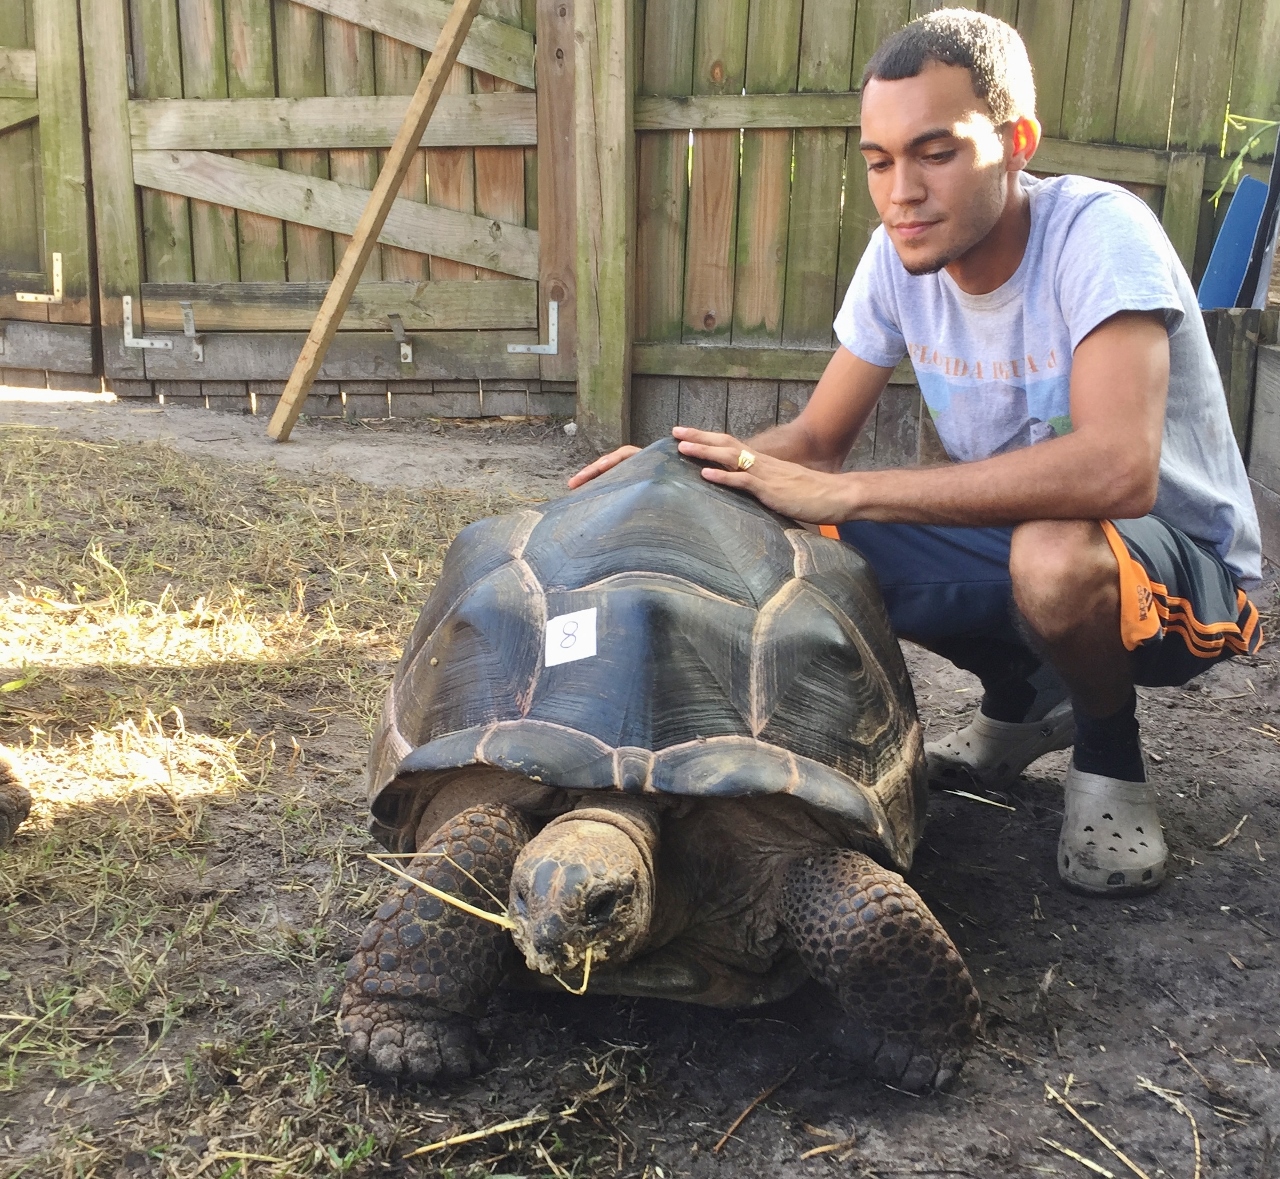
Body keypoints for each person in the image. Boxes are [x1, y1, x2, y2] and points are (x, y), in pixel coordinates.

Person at [568, 8, 1264, 898]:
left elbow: (1117, 471)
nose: (902, 191)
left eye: (936, 153)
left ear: (1015, 141)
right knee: (797, 533)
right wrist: (677, 467)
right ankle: (1020, 703)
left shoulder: (1098, 233)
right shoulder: (895, 259)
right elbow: (814, 443)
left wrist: (855, 493)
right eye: (880, 161)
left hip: (1178, 568)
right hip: (1029, 544)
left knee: (1046, 549)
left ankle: (1107, 750)